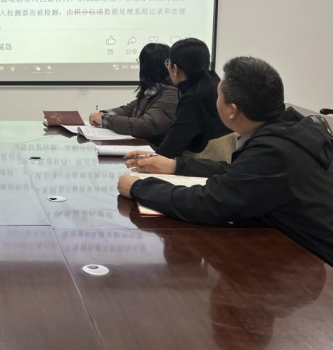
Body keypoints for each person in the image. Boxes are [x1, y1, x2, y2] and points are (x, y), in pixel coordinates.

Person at [118, 56, 333, 266]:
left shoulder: (272, 152)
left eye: (218, 96)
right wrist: (175, 165)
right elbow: (237, 174)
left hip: (314, 263)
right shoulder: (290, 128)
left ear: (232, 110)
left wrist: (138, 187)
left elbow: (208, 203)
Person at [152, 38, 231, 158]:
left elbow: (168, 151)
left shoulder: (192, 100)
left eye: (168, 63)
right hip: (222, 162)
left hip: (199, 165)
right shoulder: (217, 87)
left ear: (175, 69)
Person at [89, 43, 178, 146]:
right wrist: (103, 114)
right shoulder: (154, 89)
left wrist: (106, 120)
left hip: (154, 150)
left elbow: (145, 125)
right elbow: (129, 109)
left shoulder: (170, 94)